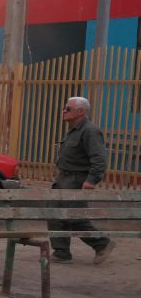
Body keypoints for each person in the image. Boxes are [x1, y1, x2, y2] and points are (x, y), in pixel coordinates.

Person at [51, 96, 113, 264]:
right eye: (65, 108)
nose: (64, 111)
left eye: (68, 108)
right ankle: (61, 252)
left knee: (75, 216)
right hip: (63, 179)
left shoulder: (90, 131)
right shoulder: (74, 130)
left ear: (81, 111)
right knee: (55, 215)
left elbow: (99, 158)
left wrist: (92, 180)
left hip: (76, 180)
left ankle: (102, 244)